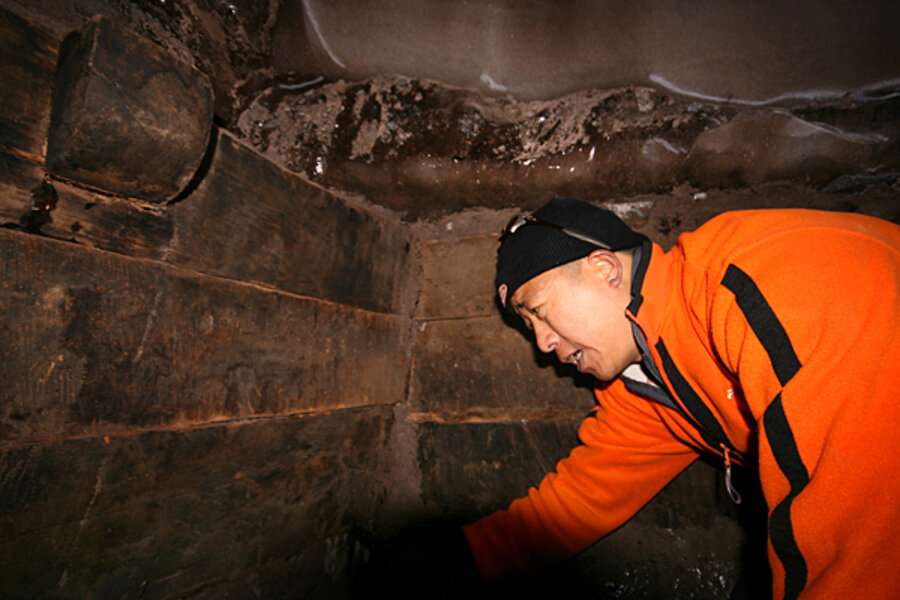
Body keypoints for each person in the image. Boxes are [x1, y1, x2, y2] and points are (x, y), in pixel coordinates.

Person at [452, 197, 900, 599]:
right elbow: (578, 504)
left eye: (540, 313)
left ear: (604, 269)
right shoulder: (647, 385)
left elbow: (863, 531)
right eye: (531, 330)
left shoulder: (749, 281)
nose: (543, 344)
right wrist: (442, 564)